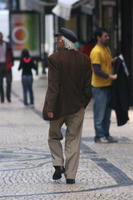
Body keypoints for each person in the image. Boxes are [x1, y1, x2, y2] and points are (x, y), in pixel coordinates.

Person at [42, 27, 92, 184]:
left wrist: (50, 108)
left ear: (63, 42)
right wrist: (83, 103)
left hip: (58, 108)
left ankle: (58, 163)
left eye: (58, 40)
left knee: (53, 136)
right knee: (74, 140)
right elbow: (87, 87)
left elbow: (53, 86)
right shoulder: (85, 60)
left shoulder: (55, 59)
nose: (57, 42)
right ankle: (70, 176)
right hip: (77, 108)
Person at [90, 27, 118, 143]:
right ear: (98, 37)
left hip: (108, 85)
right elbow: (96, 70)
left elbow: (105, 63)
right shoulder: (96, 51)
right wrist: (110, 76)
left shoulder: (106, 49)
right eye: (105, 36)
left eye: (107, 36)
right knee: (99, 113)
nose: (108, 38)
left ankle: (106, 134)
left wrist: (113, 61)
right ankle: (99, 136)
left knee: (107, 113)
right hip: (99, 87)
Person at [0, 32, 13, 103]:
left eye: (1, 36)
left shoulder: (7, 44)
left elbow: (11, 54)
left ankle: (8, 96)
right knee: (0, 83)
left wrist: (11, 63)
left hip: (7, 65)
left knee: (9, 81)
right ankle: (2, 98)